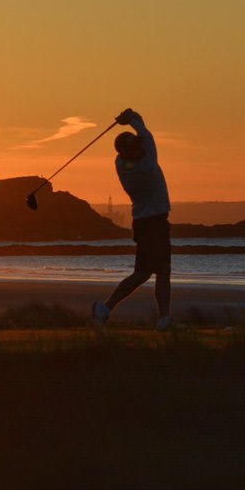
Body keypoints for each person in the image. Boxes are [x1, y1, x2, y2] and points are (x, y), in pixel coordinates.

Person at [92, 109, 175, 331]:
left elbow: (141, 133)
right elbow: (143, 130)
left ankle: (108, 309)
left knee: (150, 271)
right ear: (132, 150)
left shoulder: (121, 164)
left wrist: (129, 122)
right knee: (153, 271)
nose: (139, 146)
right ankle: (108, 308)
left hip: (142, 222)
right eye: (135, 145)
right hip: (155, 222)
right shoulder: (147, 162)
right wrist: (130, 118)